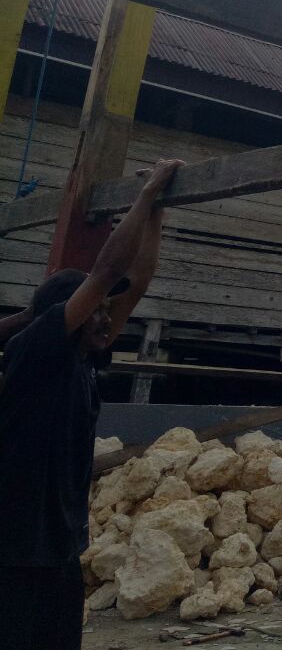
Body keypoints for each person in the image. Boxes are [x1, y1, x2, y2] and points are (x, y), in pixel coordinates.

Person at [0, 158, 182, 650]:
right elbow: (107, 271)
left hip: (58, 544)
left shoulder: (84, 357)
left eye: (106, 310)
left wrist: (157, 210)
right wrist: (144, 196)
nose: (106, 318)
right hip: (13, 545)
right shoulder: (39, 349)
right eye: (96, 308)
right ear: (61, 316)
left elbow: (135, 282)